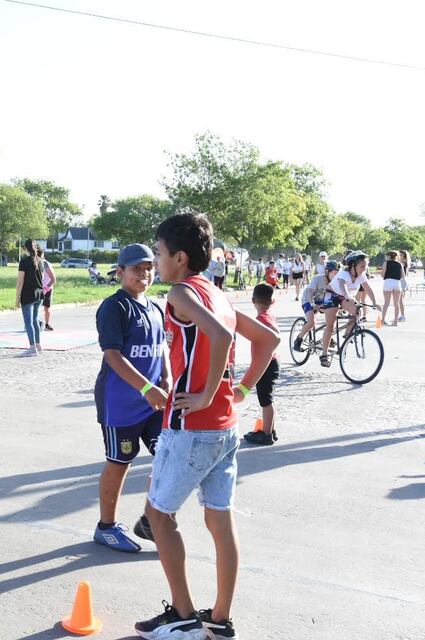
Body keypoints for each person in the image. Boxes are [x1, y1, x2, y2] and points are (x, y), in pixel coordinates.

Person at [135, 212, 278, 640]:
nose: (155, 261)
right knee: (220, 521)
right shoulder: (215, 292)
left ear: (179, 257)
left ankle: (181, 614)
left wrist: (204, 393)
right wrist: (242, 390)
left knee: (158, 516)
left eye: (158, 253)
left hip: (192, 426)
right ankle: (219, 617)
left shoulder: (181, 293)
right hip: (225, 428)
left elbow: (220, 338)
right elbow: (267, 341)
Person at [92, 244, 169, 554]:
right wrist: (145, 387)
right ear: (120, 271)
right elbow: (113, 355)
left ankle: (150, 520)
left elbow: (162, 347)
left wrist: (166, 379)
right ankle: (106, 527)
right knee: (120, 462)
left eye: (149, 268)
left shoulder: (155, 307)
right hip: (120, 404)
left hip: (153, 402)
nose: (145, 273)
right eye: (138, 268)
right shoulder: (115, 307)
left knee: (168, 458)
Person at [321, 250, 378, 367]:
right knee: (330, 324)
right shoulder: (344, 273)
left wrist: (375, 302)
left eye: (366, 266)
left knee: (358, 311)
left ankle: (347, 336)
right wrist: (347, 295)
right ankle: (324, 354)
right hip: (332, 294)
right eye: (362, 266)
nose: (364, 269)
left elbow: (368, 288)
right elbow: (343, 285)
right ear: (353, 265)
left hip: (345, 297)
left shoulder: (361, 275)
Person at [243, 284, 280, 446]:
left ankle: (266, 434)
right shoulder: (269, 314)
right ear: (272, 301)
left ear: (253, 301)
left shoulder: (262, 319)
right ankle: (270, 429)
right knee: (268, 399)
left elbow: (273, 335)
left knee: (265, 400)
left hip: (266, 363)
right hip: (271, 362)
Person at [294, 260, 340, 350]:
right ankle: (298, 340)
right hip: (308, 300)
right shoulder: (318, 279)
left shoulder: (336, 282)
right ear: (327, 272)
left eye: (338, 274)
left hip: (322, 302)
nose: (336, 276)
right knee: (311, 322)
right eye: (335, 273)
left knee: (332, 320)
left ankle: (328, 338)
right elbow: (309, 292)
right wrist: (312, 304)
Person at [15, 239, 45, 356]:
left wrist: (17, 297)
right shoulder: (40, 261)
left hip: (28, 294)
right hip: (39, 293)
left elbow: (20, 281)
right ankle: (38, 345)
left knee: (28, 322)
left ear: (25, 248)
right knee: (35, 320)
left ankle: (32, 347)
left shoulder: (24, 261)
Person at [380, 251, 405, 327]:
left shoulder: (386, 263)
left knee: (386, 303)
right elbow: (403, 275)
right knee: (396, 303)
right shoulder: (399, 263)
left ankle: (383, 320)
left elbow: (382, 274)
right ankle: (395, 321)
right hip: (397, 283)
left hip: (388, 282)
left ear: (388, 256)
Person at [39, 248, 57, 330]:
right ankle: (37, 322)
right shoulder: (40, 263)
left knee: (46, 307)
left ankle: (46, 324)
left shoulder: (45, 263)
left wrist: (46, 288)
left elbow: (53, 279)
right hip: (40, 287)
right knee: (37, 306)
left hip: (46, 288)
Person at [398, 250, 410, 322]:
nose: (399, 256)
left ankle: (402, 316)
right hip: (402, 281)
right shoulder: (402, 263)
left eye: (401, 255)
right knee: (400, 300)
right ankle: (401, 315)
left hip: (401, 282)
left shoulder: (403, 263)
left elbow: (402, 275)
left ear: (404, 256)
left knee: (400, 300)